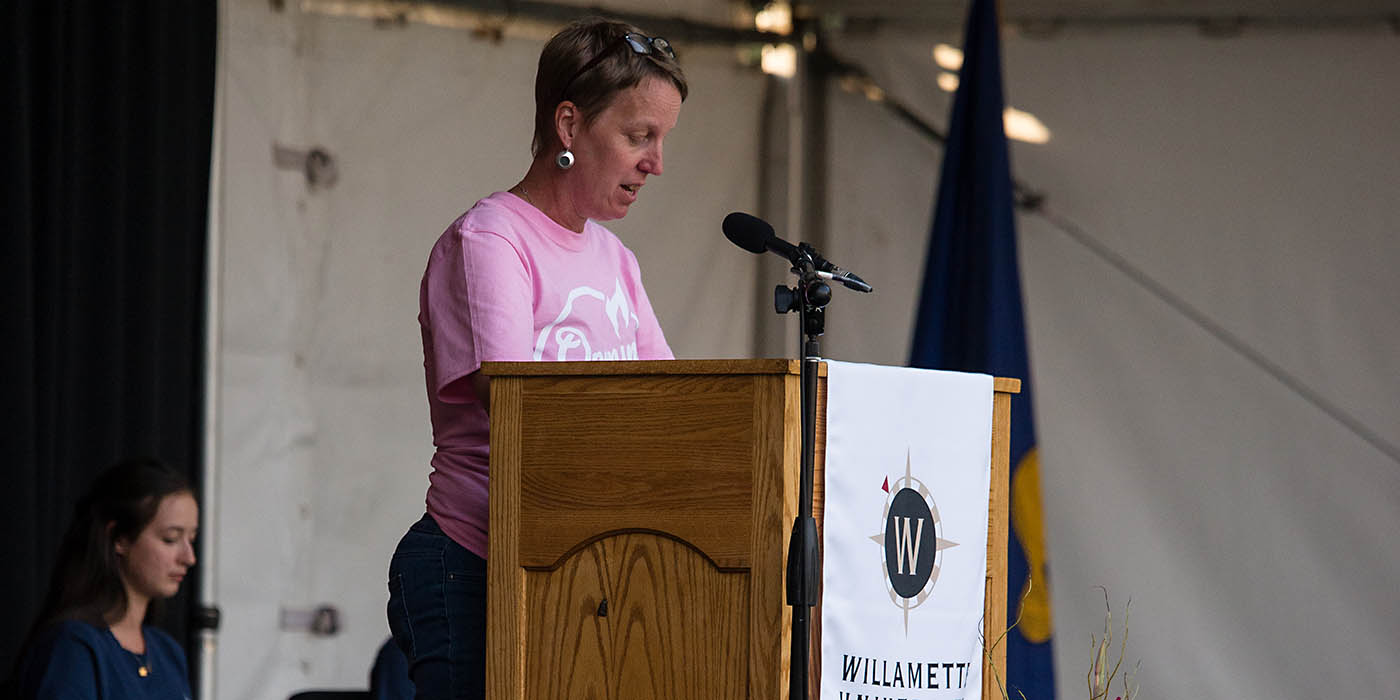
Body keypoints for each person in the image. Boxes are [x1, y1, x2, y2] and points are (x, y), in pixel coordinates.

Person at [385, 16, 687, 700]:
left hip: (581, 569)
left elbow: (674, 407)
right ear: (570, 125)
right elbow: (524, 412)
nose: (656, 163)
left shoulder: (617, 259)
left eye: (663, 140)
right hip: (474, 564)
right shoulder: (490, 239)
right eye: (639, 136)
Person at [11, 458, 199, 700]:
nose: (189, 557)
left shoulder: (168, 652)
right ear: (119, 538)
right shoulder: (74, 647)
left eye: (191, 539)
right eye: (170, 539)